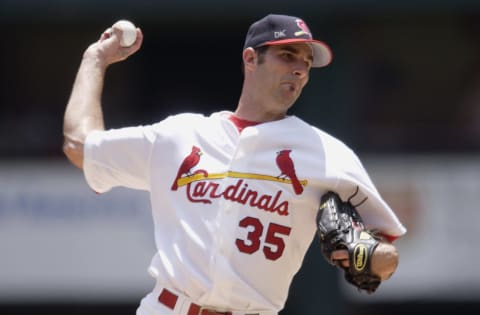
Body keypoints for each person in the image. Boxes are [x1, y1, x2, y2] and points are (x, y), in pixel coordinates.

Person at [63, 13, 406, 315]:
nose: (300, 69)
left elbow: (387, 253)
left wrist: (368, 254)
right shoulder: (180, 135)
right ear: (251, 59)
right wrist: (95, 59)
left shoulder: (327, 154)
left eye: (306, 62)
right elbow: (79, 145)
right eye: (287, 55)